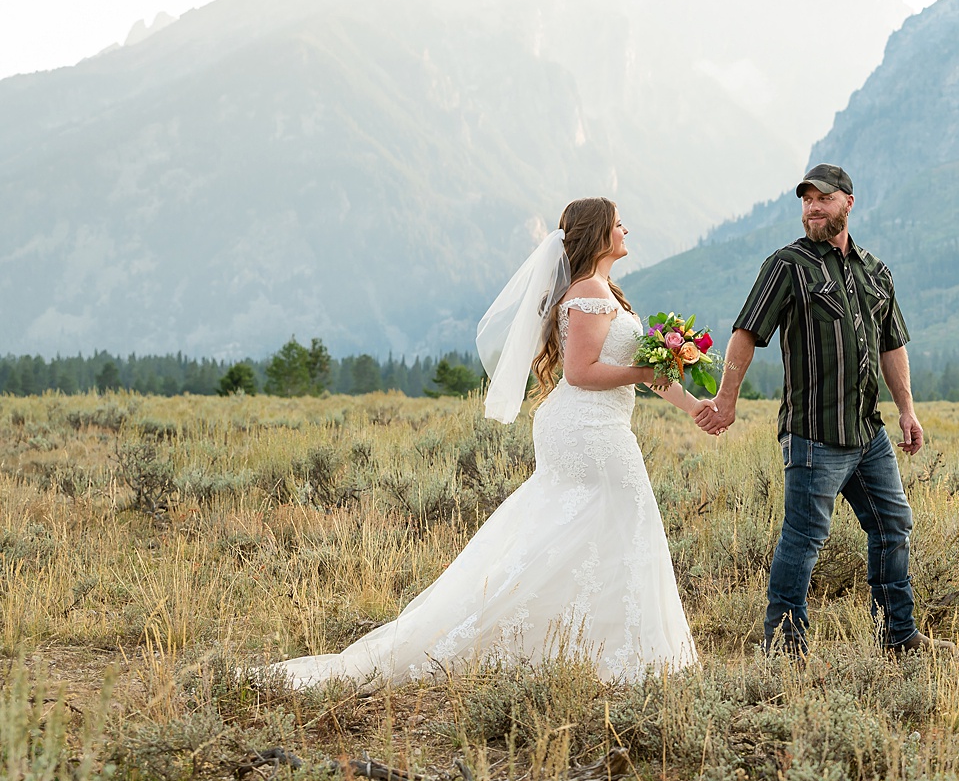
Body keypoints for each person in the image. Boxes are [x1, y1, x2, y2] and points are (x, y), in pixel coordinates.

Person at [270, 198, 702, 688]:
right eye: (618, 222)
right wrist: (646, 369)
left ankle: (595, 647)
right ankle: (608, 654)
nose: (627, 228)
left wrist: (693, 407)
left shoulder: (609, 293)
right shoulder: (587, 293)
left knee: (591, 529)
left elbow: (642, 374)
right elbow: (582, 373)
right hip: (586, 429)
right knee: (611, 523)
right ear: (599, 233)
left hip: (600, 425)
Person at [696, 164, 952, 656]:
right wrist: (727, 399)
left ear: (848, 204)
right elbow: (747, 332)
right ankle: (785, 646)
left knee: (892, 525)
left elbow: (892, 345)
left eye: (823, 199)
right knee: (805, 540)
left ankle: (898, 635)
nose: (812, 208)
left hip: (867, 434)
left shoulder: (875, 271)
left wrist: (907, 411)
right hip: (813, 433)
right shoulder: (787, 265)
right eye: (806, 200)